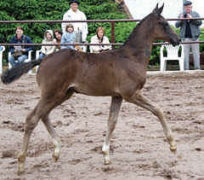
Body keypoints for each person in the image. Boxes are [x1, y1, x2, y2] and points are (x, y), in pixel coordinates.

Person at [175, 1, 202, 70]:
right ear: (184, 7)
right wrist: (180, 20)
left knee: (196, 54)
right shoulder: (181, 14)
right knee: (185, 54)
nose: (188, 8)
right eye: (186, 7)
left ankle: (197, 69)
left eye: (189, 7)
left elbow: (200, 23)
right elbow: (176, 25)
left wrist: (192, 19)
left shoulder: (195, 14)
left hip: (194, 37)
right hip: (185, 38)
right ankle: (186, 69)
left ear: (191, 7)